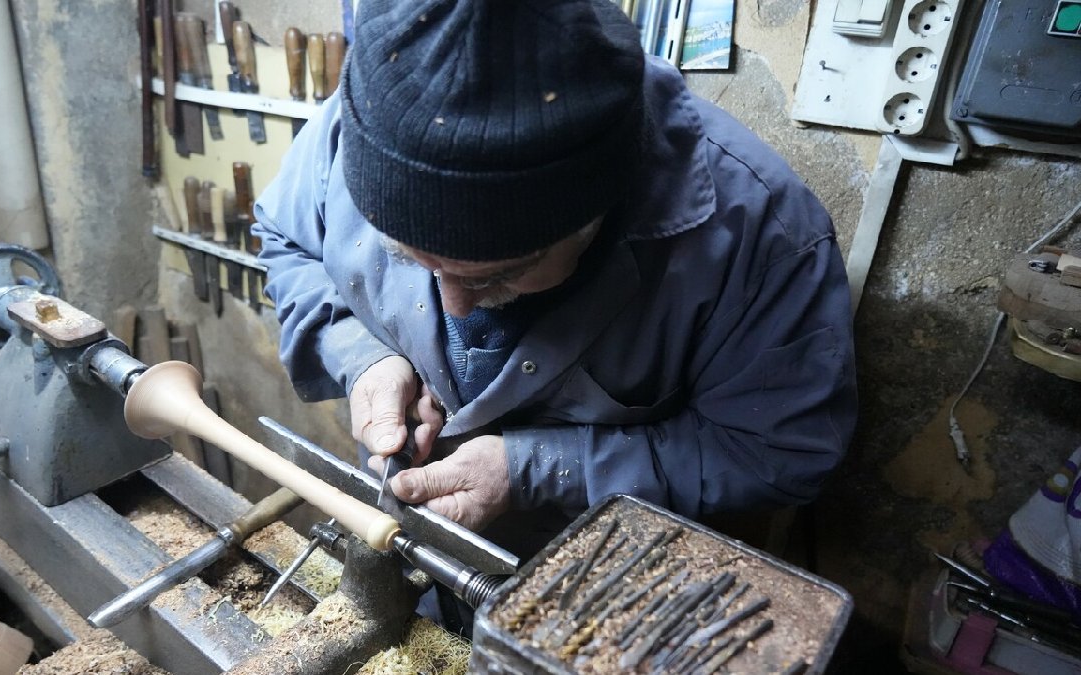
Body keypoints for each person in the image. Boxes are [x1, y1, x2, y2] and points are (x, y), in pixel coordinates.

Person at [253, 0, 857, 558]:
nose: (456, 308)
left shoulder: (762, 233)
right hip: (415, 543)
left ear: (597, 215)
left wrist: (534, 469)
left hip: (604, 582)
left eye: (500, 275)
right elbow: (284, 238)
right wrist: (362, 356)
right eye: (413, 259)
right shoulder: (365, 117)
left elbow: (778, 453)